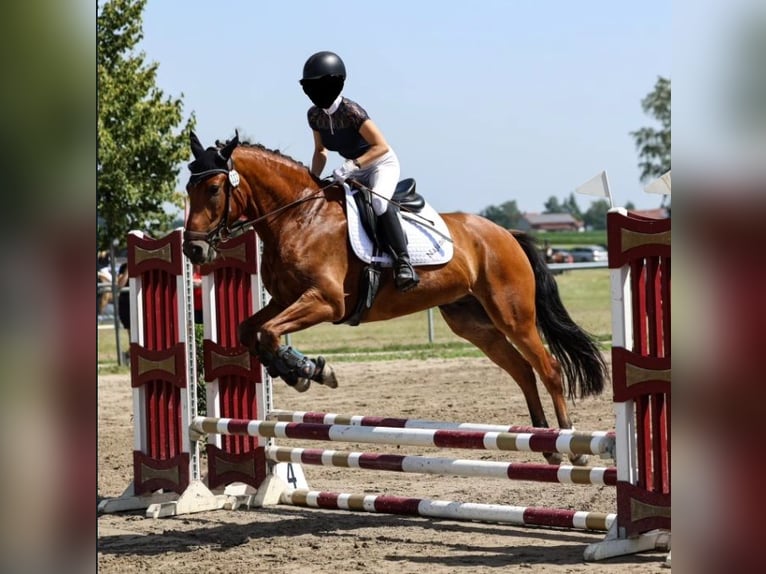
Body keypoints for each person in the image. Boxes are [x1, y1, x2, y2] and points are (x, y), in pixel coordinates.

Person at [299, 50, 419, 292]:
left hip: (379, 163)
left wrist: (352, 166)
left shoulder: (351, 111)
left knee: (378, 203)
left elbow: (381, 146)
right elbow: (321, 151)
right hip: (353, 169)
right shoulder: (314, 115)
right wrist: (312, 181)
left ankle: (403, 262)